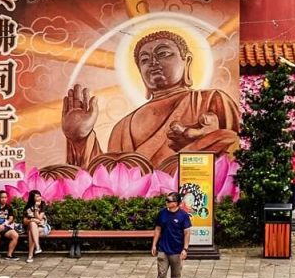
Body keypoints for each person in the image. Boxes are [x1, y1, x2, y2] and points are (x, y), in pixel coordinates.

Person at [62, 30, 239, 173]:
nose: (153, 62)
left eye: (163, 54)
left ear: (187, 62)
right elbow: (106, 181)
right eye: (145, 59)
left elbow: (239, 157)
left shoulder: (210, 101)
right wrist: (80, 140)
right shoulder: (122, 128)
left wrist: (203, 145)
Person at [151, 192, 191, 278]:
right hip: (163, 250)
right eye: (166, 200)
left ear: (176, 203)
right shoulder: (162, 213)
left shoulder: (183, 215)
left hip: (177, 251)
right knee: (161, 275)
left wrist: (185, 249)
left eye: (169, 200)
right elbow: (157, 229)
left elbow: (187, 233)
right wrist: (154, 245)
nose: (166, 202)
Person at [22, 189, 50, 263]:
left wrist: (36, 208)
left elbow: (40, 218)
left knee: (32, 233)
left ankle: (30, 254)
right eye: (37, 197)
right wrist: (32, 220)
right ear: (32, 198)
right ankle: (37, 247)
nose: (39, 198)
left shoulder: (43, 204)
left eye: (39, 196)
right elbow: (24, 222)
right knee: (32, 224)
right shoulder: (27, 207)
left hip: (43, 227)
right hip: (31, 227)